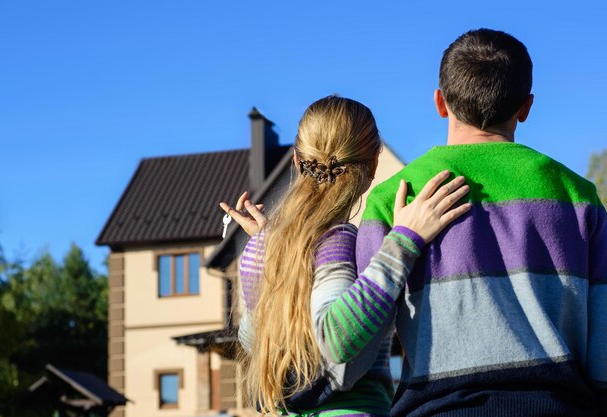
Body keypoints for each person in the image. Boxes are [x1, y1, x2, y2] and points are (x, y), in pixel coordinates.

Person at [357, 29, 607, 417]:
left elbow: (360, 343)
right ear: (525, 107)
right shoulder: (579, 197)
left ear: (440, 102)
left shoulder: (393, 198)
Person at [220, 96, 471, 416]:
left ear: (296, 161)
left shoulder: (261, 248)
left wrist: (279, 247)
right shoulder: (337, 240)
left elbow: (253, 340)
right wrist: (405, 241)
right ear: (373, 166)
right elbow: (336, 337)